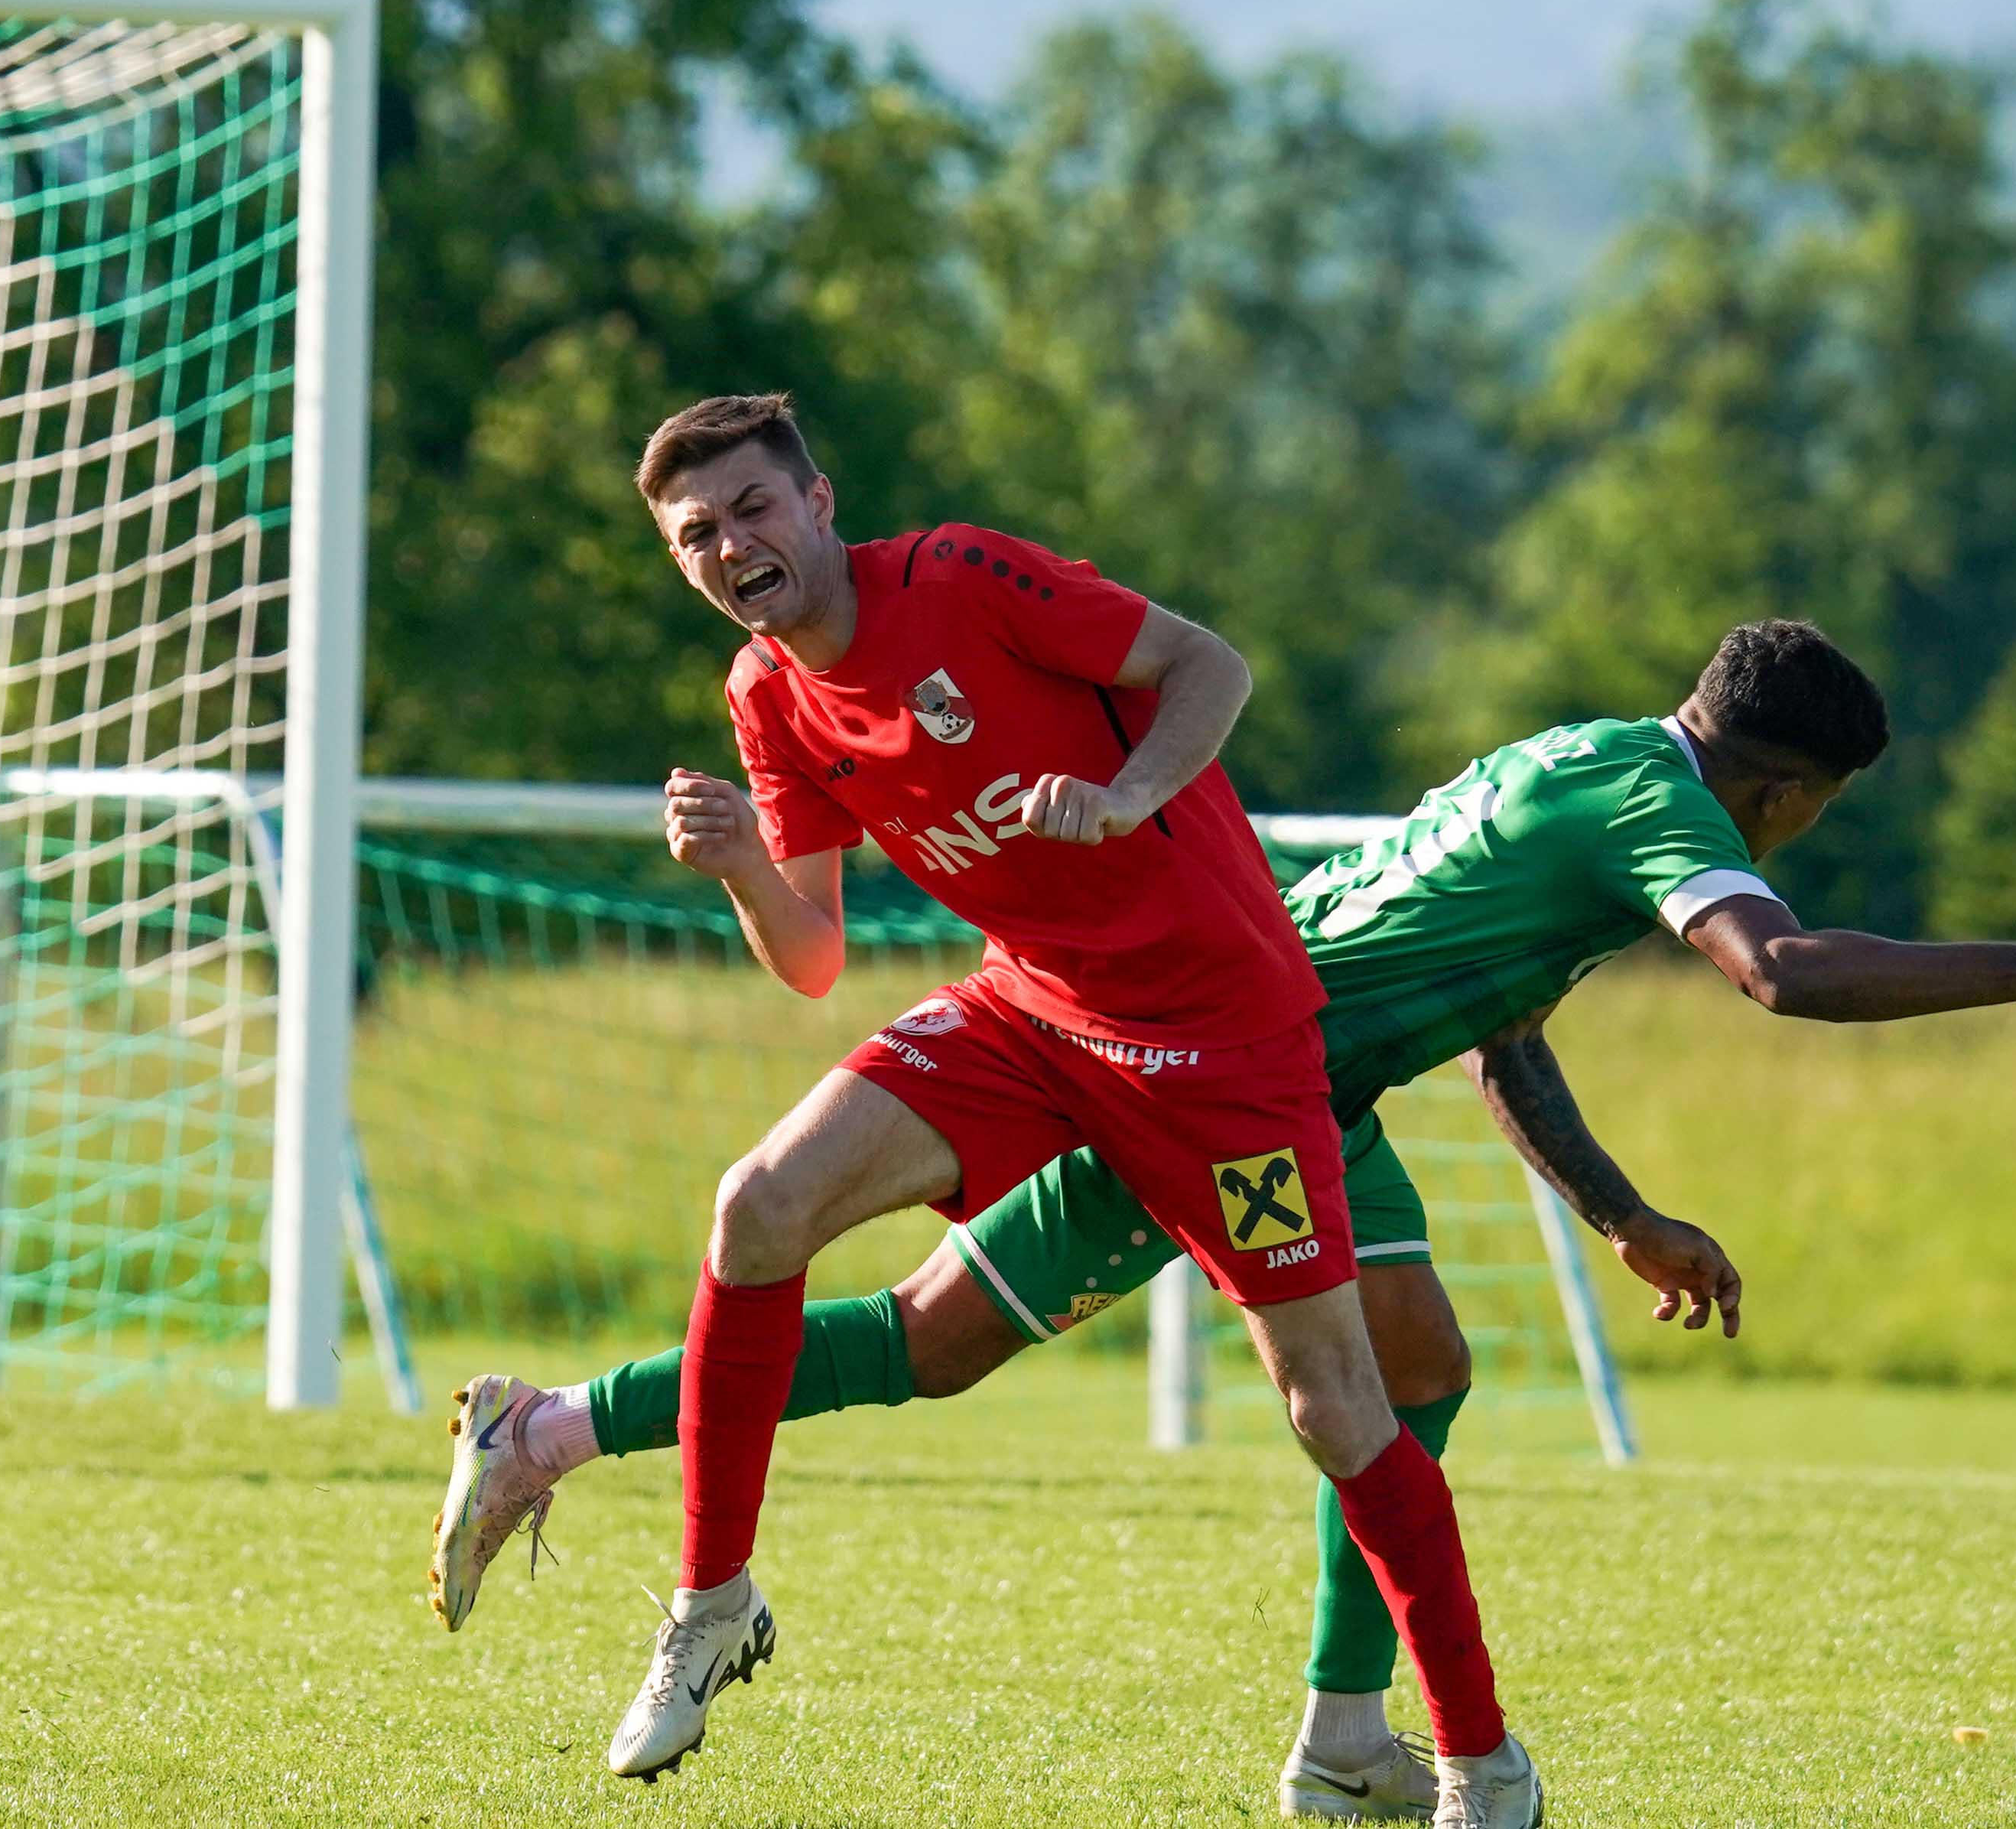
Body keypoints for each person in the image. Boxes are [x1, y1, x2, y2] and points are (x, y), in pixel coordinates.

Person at [436, 607, 2016, 1821]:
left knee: (1417, 1369)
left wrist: (1619, 1213)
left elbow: (1500, 1030)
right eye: (1815, 812)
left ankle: (1344, 1737)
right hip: (1209, 1071)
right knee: (936, 1345)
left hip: (1304, 1070)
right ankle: (554, 1426)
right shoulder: (1660, 810)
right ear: (1788, 790)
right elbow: (1785, 973)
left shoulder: (1584, 758)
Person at [477, 392, 1540, 1824]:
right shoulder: (764, 695)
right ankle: (712, 1604)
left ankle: (1482, 1766)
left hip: (1222, 1045)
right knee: (759, 1206)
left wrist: (1129, 791)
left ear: (818, 504)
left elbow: (1210, 665)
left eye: (752, 508)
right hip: (1030, 1012)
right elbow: (812, 955)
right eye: (696, 533)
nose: (730, 545)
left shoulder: (963, 576)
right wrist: (738, 868)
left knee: (1337, 1408)